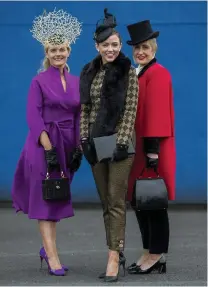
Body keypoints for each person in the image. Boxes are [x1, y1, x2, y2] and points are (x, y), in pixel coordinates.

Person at [11, 9, 82, 276]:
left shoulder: (76, 82)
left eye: (62, 49)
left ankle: (46, 248)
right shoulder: (38, 81)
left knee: (56, 195)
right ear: (46, 52)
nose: (58, 54)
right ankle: (52, 257)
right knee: (45, 199)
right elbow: (34, 116)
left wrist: (77, 147)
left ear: (69, 50)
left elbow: (78, 115)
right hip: (44, 146)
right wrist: (50, 149)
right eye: (53, 50)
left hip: (67, 146)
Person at [79, 8, 138, 283]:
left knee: (116, 201)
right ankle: (114, 249)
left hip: (119, 144)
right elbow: (86, 110)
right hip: (96, 143)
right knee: (106, 202)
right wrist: (84, 140)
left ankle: (114, 255)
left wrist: (122, 143)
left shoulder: (129, 72)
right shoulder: (89, 71)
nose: (112, 49)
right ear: (97, 46)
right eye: (106, 45)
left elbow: (130, 111)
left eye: (115, 44)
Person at [126, 20, 176, 274]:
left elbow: (156, 113)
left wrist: (152, 152)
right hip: (142, 148)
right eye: (137, 48)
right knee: (141, 201)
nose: (140, 52)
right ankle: (148, 250)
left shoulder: (157, 73)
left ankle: (156, 254)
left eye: (145, 47)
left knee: (153, 203)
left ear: (154, 47)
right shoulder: (141, 72)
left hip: (151, 149)